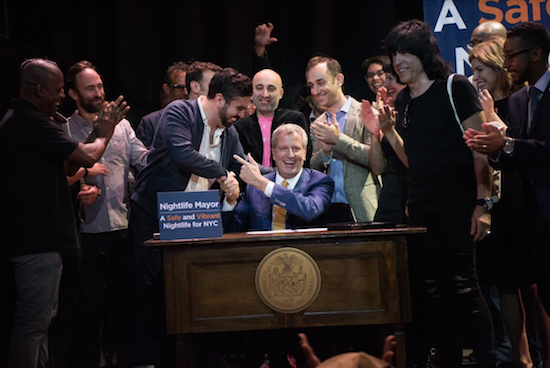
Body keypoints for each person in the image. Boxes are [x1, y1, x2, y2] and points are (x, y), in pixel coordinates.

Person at [0, 58, 128, 368]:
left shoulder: (31, 120)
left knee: (43, 322)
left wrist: (95, 133)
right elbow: (87, 156)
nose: (60, 97)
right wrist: (105, 132)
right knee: (33, 325)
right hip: (36, 243)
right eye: (57, 91)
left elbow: (71, 162)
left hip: (44, 243)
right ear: (39, 88)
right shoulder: (27, 121)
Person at [384, 20, 496, 368]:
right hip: (420, 206)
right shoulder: (403, 100)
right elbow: (412, 160)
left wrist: (483, 204)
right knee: (433, 292)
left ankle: (487, 360)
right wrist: (388, 131)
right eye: (393, 55)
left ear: (423, 51)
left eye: (404, 52)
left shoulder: (454, 86)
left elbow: (481, 150)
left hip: (458, 202)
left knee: (464, 286)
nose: (398, 61)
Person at [128, 67, 251, 367]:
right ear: (219, 98)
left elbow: (241, 169)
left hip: (197, 220)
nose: (243, 114)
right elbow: (181, 153)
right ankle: (146, 361)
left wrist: (240, 186)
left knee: (191, 297)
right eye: (239, 108)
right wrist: (222, 174)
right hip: (153, 216)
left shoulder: (230, 132)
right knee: (148, 295)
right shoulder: (180, 112)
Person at [464, 21, 550, 368]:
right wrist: (492, 147)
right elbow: (513, 157)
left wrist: (508, 145)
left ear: (536, 54)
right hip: (528, 213)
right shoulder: (517, 100)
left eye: (512, 54)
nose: (509, 61)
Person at [64, 60, 149, 368]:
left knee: (127, 303)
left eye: (100, 86)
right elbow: (58, 177)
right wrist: (77, 192)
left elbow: (141, 158)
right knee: (87, 307)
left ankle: (131, 360)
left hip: (122, 226)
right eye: (90, 88)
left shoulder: (122, 125)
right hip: (85, 232)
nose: (99, 93)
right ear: (73, 94)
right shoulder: (65, 128)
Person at [307, 55, 382, 224]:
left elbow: (377, 162)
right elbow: (313, 167)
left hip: (362, 209)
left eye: (320, 83)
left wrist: (338, 140)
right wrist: (325, 152)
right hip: (329, 211)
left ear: (339, 79)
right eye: (311, 85)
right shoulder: (317, 124)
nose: (315, 91)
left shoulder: (367, 114)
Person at [223, 123, 334, 232]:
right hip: (264, 250)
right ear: (273, 153)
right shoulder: (254, 188)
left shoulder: (321, 182)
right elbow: (233, 229)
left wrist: (263, 184)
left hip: (302, 250)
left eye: (296, 148)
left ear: (305, 153)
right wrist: (230, 201)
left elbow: (310, 210)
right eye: (283, 148)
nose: (290, 155)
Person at [234, 68, 310, 169]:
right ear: (251, 93)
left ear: (281, 93)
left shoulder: (295, 119)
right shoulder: (239, 127)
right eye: (259, 88)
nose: (265, 94)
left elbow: (306, 158)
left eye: (271, 89)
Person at [361, 60, 408, 224]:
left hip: (413, 193)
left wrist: (389, 131)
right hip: (390, 195)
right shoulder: (390, 117)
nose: (385, 84)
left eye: (390, 78)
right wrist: (375, 132)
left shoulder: (415, 111)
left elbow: (413, 162)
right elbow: (379, 168)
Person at [136, 61, 189, 148]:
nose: (186, 93)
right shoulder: (150, 123)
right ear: (167, 89)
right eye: (179, 87)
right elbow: (147, 159)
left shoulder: (203, 119)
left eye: (188, 87)